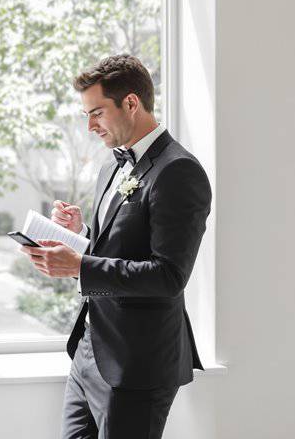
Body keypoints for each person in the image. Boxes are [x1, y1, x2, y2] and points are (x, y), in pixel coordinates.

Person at [19, 54, 211, 439]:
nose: (89, 126)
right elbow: (121, 245)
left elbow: (169, 275)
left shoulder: (178, 171)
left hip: (137, 365)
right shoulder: (111, 165)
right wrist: (82, 234)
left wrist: (79, 266)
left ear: (131, 103)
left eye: (97, 113)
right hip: (90, 349)